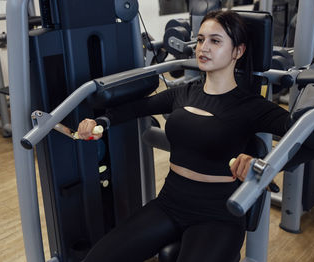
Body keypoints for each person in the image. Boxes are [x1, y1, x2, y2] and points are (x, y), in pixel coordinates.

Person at [78, 10, 291, 262]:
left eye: (215, 41)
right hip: (170, 202)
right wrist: (100, 121)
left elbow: (310, 135)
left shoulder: (251, 106)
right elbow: (138, 108)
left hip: (218, 215)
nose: (204, 48)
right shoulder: (184, 93)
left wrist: (266, 166)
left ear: (238, 51)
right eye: (200, 40)